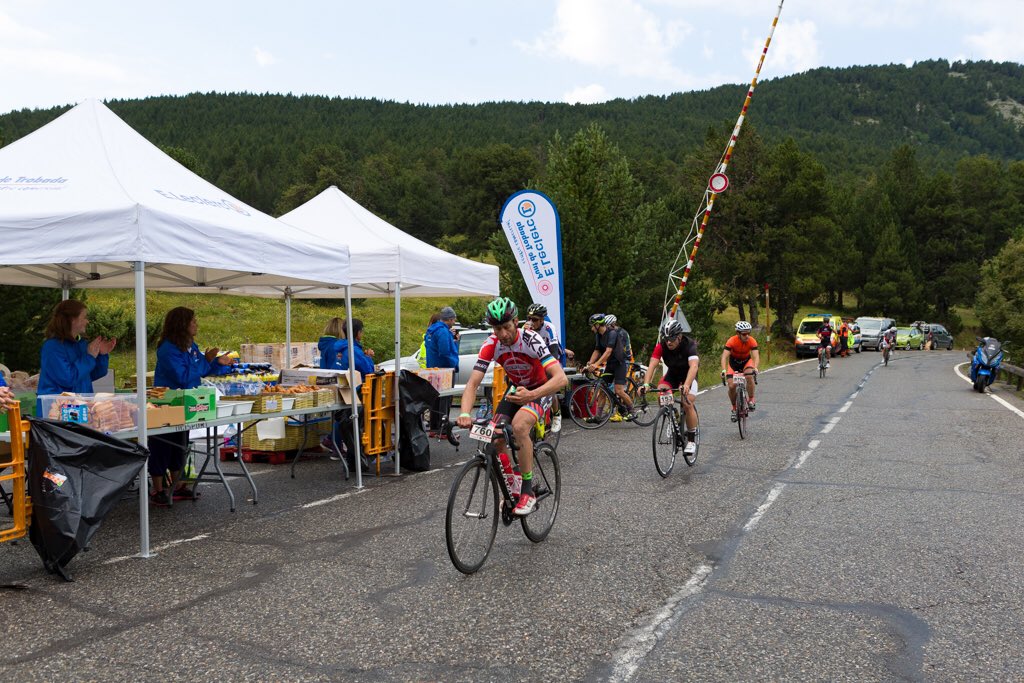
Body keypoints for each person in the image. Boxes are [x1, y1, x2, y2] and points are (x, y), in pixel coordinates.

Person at [456, 297, 567, 516]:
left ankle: (527, 491)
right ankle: (513, 486)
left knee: (519, 426)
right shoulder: (492, 344)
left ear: (516, 322)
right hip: (516, 391)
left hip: (540, 389)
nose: (503, 334)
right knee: (494, 437)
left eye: (507, 327)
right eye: (498, 329)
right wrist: (465, 413)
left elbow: (561, 379)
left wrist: (533, 394)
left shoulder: (531, 339)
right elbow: (472, 383)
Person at [149, 307, 234, 507]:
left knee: (180, 443)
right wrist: (207, 361)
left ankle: (178, 485)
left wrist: (219, 363)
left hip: (187, 401)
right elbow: (183, 375)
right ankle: (158, 489)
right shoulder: (168, 349)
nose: (196, 324)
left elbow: (200, 371)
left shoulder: (190, 345)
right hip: (167, 403)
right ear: (182, 324)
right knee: (162, 445)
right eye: (193, 321)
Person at [640, 319, 700, 456]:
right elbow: (652, 365)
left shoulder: (689, 345)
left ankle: (691, 440)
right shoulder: (662, 346)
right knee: (661, 393)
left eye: (672, 339)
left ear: (679, 337)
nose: (669, 342)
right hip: (672, 375)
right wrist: (646, 384)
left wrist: (686, 385)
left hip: (688, 376)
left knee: (687, 402)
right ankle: (674, 415)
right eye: (666, 339)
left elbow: (694, 366)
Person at [37, 300, 116, 399]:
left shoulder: (81, 344)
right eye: (84, 317)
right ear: (72, 319)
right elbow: (67, 378)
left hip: (80, 405)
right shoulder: (52, 347)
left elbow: (92, 374)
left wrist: (101, 355)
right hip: (57, 408)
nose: (87, 321)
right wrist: (89, 357)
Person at [333, 318, 375, 466]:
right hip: (357, 391)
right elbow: (369, 370)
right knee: (356, 424)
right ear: (358, 333)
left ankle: (337, 445)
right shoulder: (354, 350)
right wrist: (369, 357)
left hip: (344, 390)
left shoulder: (341, 348)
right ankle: (357, 454)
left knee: (344, 420)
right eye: (361, 331)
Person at [583, 313, 634, 421]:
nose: (591, 328)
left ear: (597, 325)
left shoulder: (612, 334)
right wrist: (588, 364)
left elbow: (608, 351)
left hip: (620, 363)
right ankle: (598, 417)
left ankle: (632, 411)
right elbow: (597, 350)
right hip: (610, 364)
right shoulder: (598, 335)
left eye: (592, 326)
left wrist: (596, 364)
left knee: (619, 391)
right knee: (602, 389)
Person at [525, 303, 564, 432]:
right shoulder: (527, 327)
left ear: (542, 320)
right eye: (529, 318)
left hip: (551, 357)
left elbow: (553, 353)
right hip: (536, 359)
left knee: (548, 387)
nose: (531, 322)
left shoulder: (549, 328)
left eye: (535, 320)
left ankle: (557, 414)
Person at [425, 306, 460, 433]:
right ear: (450, 319)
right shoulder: (443, 332)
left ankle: (434, 427)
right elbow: (445, 352)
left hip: (433, 368)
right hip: (445, 370)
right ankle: (443, 428)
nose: (454, 322)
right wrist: (454, 363)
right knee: (445, 399)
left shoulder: (431, 330)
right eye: (454, 319)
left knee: (435, 398)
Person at [721, 320, 760, 419]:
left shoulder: (751, 340)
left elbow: (756, 356)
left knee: (749, 375)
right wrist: (723, 370)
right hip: (733, 364)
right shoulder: (732, 341)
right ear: (738, 333)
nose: (747, 336)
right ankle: (734, 408)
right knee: (731, 386)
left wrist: (755, 367)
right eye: (744, 334)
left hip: (746, 362)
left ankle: (751, 399)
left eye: (748, 333)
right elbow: (724, 357)